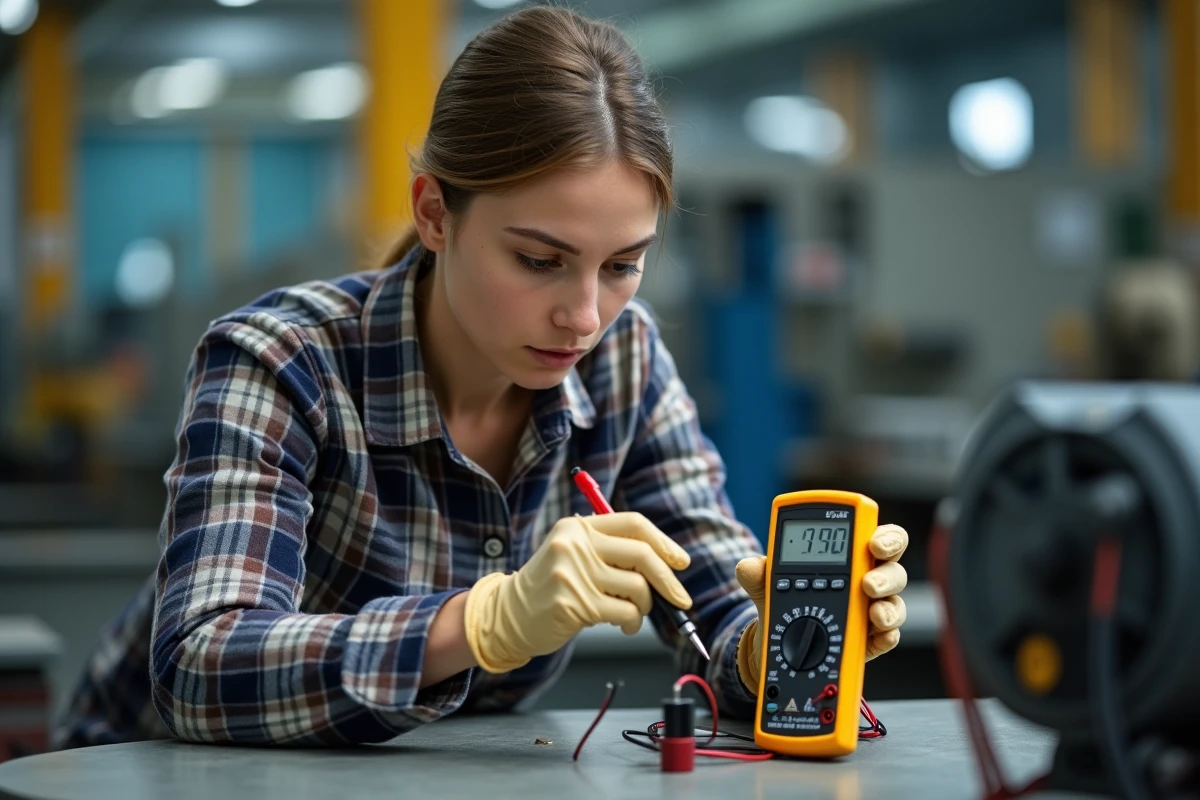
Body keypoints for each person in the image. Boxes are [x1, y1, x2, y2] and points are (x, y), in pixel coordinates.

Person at [54, 5, 908, 748]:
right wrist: (480, 622)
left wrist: (773, 650)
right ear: (434, 213)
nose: (583, 315)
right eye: (540, 259)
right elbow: (201, 669)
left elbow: (716, 595)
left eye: (622, 265)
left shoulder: (625, 357)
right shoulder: (279, 360)